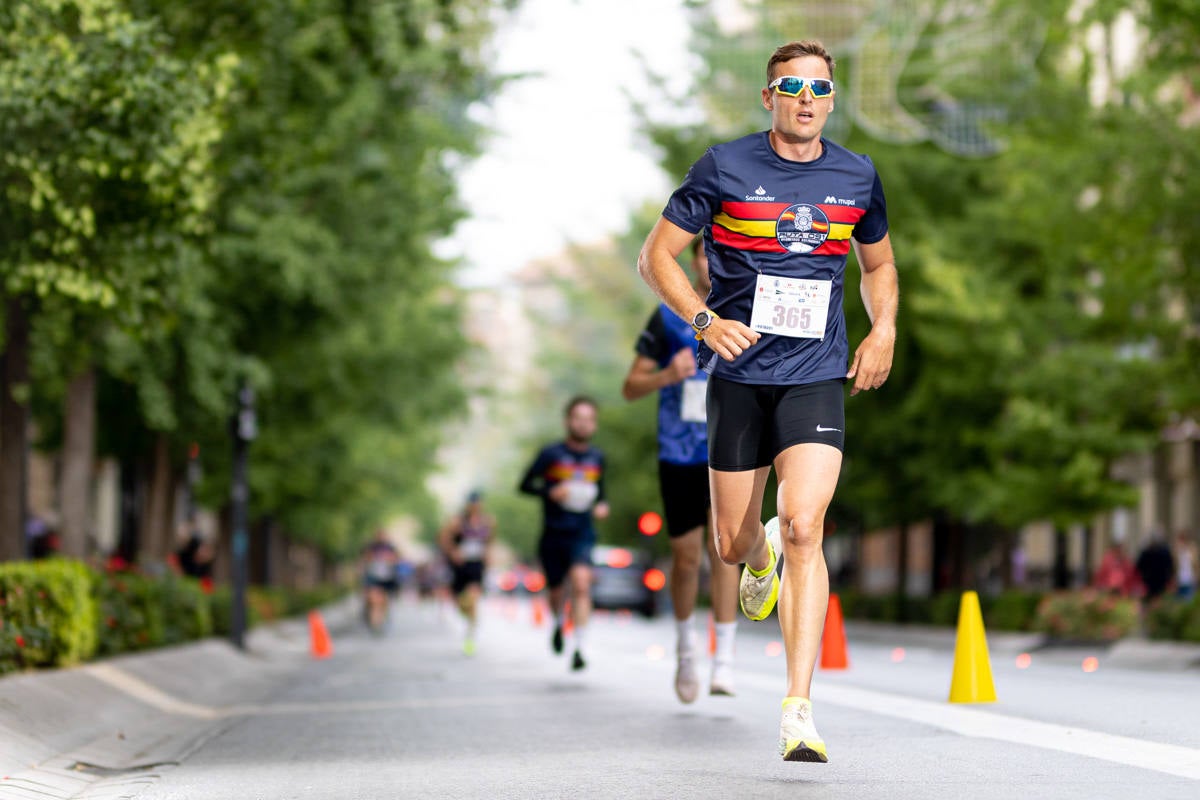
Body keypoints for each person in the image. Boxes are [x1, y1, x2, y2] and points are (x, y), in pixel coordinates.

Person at [636, 40, 898, 763]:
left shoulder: (858, 174)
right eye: (791, 86)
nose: (805, 98)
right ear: (769, 97)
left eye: (818, 88)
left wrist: (885, 329)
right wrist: (703, 320)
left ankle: (797, 709)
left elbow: (877, 263)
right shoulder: (724, 166)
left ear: (832, 100)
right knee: (728, 542)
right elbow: (655, 254)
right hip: (741, 376)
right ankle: (759, 557)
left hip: (815, 371)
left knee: (809, 525)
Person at [621, 237, 740, 702]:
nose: (710, 262)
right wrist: (666, 375)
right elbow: (630, 386)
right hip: (680, 451)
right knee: (688, 557)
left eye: (717, 254)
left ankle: (725, 660)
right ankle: (687, 650)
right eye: (702, 254)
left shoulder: (744, 307)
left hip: (731, 446)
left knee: (726, 550)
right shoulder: (669, 317)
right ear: (690, 264)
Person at [518, 395, 610, 671]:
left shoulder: (597, 457)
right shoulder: (551, 454)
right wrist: (549, 491)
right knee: (556, 591)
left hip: (582, 531)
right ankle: (558, 622)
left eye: (589, 420)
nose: (583, 425)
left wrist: (602, 504)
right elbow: (524, 485)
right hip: (554, 532)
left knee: (582, 583)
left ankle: (580, 647)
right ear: (568, 421)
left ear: (594, 425)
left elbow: (601, 491)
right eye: (578, 418)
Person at [438, 490, 496, 655]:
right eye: (472, 503)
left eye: (478, 502)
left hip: (477, 565)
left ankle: (470, 634)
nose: (475, 506)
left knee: (473, 597)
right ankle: (468, 618)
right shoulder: (457, 521)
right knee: (461, 604)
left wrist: (488, 554)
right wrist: (453, 552)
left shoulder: (488, 521)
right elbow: (443, 538)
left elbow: (490, 540)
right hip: (460, 566)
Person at [360, 529, 401, 632]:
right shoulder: (371, 547)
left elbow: (397, 559)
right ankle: (374, 622)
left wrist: (390, 560)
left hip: (387, 578)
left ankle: (382, 619)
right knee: (374, 600)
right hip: (373, 577)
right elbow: (364, 559)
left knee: (384, 600)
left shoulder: (391, 547)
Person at [1135, 532, 1176, 601]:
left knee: (1157, 600)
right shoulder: (1147, 552)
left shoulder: (1162, 552)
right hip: (1151, 582)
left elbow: (1170, 566)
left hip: (1158, 581)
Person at [1174, 530, 1197, 599]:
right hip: (1179, 580)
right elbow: (1175, 565)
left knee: (1189, 600)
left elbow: (1195, 564)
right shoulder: (1177, 551)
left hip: (1189, 579)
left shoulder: (1192, 550)